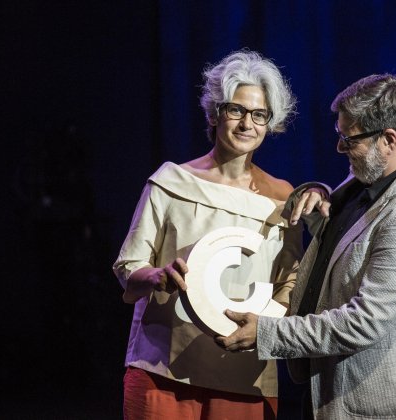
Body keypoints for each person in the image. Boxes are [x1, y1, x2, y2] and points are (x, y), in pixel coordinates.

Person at [215, 73, 396, 420]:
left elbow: (362, 322)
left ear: (388, 139)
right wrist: (316, 195)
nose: (340, 148)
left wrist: (267, 333)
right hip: (324, 389)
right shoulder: (376, 173)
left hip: (367, 406)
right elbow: (345, 238)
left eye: (348, 139)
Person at [112, 50, 303, 419]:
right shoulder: (171, 181)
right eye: (236, 110)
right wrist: (156, 274)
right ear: (215, 113)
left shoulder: (284, 199)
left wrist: (265, 328)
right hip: (163, 371)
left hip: (245, 377)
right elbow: (128, 266)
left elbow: (289, 287)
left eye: (259, 115)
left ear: (269, 123)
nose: (247, 123)